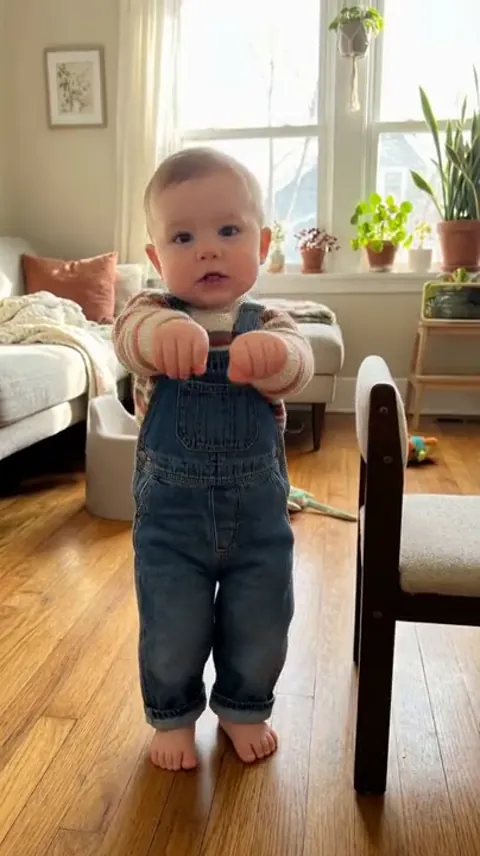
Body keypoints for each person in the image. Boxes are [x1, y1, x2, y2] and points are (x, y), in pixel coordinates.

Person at [113, 147, 314, 772]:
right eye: (183, 237)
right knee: (171, 623)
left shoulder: (272, 320)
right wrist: (160, 339)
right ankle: (173, 717)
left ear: (263, 243)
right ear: (156, 258)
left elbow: (300, 364)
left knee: (262, 618)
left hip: (258, 521)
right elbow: (126, 339)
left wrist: (277, 358)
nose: (208, 250)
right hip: (172, 524)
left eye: (228, 231)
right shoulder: (150, 312)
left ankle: (243, 707)